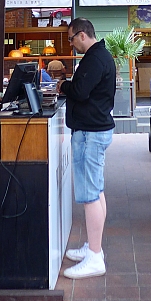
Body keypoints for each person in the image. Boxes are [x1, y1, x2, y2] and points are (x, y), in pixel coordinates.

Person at [59, 18, 116, 279]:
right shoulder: (100, 56)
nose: (71, 44)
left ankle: (94, 256)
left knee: (90, 195)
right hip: (95, 129)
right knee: (97, 191)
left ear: (82, 35)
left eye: (71, 39)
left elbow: (80, 91)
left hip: (90, 132)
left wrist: (63, 85)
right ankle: (95, 247)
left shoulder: (94, 59)